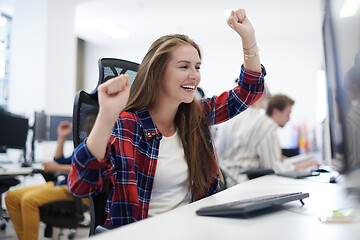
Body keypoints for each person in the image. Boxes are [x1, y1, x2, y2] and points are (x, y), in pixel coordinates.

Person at [68, 8, 265, 229]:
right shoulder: (129, 125)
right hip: (143, 232)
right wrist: (106, 116)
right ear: (158, 72)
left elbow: (249, 92)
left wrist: (249, 38)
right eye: (184, 66)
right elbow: (81, 185)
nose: (194, 75)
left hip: (192, 228)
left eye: (197, 67)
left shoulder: (195, 116)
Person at [218, 94, 319, 187]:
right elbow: (271, 167)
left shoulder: (228, 120)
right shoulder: (265, 124)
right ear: (261, 97)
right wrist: (298, 167)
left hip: (224, 182)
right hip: (243, 183)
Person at [5, 121, 82, 240]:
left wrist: (59, 168)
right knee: (11, 197)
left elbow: (88, 169)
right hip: (63, 184)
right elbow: (60, 160)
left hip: (76, 189)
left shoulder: (97, 144)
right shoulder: (83, 144)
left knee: (28, 200)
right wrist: (62, 137)